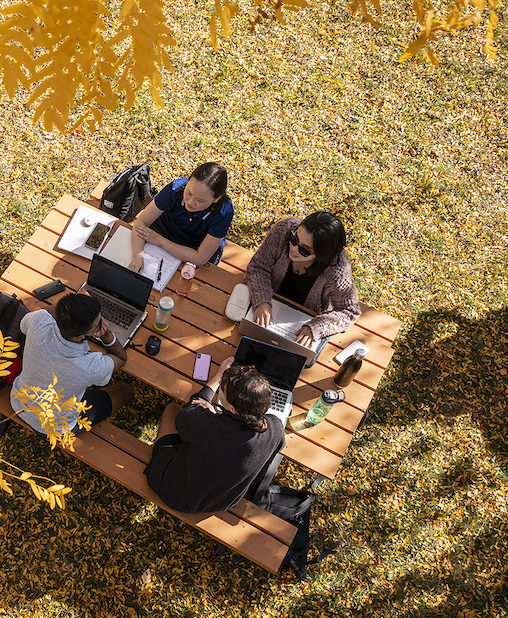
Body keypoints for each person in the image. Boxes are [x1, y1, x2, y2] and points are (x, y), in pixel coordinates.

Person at [144, 357, 284, 513]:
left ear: (232, 409)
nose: (220, 390)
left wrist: (217, 379)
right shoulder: (275, 429)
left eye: (222, 390)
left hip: (173, 492)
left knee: (172, 409)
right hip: (220, 502)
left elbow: (184, 417)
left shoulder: (205, 425)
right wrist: (216, 419)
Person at [10, 293, 134, 435]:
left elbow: (28, 322)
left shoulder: (38, 320)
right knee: (125, 391)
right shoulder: (89, 366)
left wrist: (71, 307)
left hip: (19, 402)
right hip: (54, 426)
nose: (102, 323)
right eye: (97, 325)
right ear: (78, 337)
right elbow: (121, 357)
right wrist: (106, 333)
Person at [246, 211, 361, 347]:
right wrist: (262, 301)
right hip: (270, 301)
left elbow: (349, 311)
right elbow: (258, 266)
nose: (294, 249)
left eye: (305, 250)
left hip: (303, 322)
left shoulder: (337, 269)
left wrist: (316, 328)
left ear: (323, 255)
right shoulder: (284, 229)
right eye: (294, 239)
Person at [129, 162, 234, 271]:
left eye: (200, 200)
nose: (191, 202)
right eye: (189, 192)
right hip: (163, 230)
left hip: (194, 246)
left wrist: (160, 241)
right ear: (188, 181)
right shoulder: (176, 188)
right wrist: (138, 255)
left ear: (216, 199)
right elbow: (141, 222)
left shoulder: (224, 212)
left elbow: (199, 259)